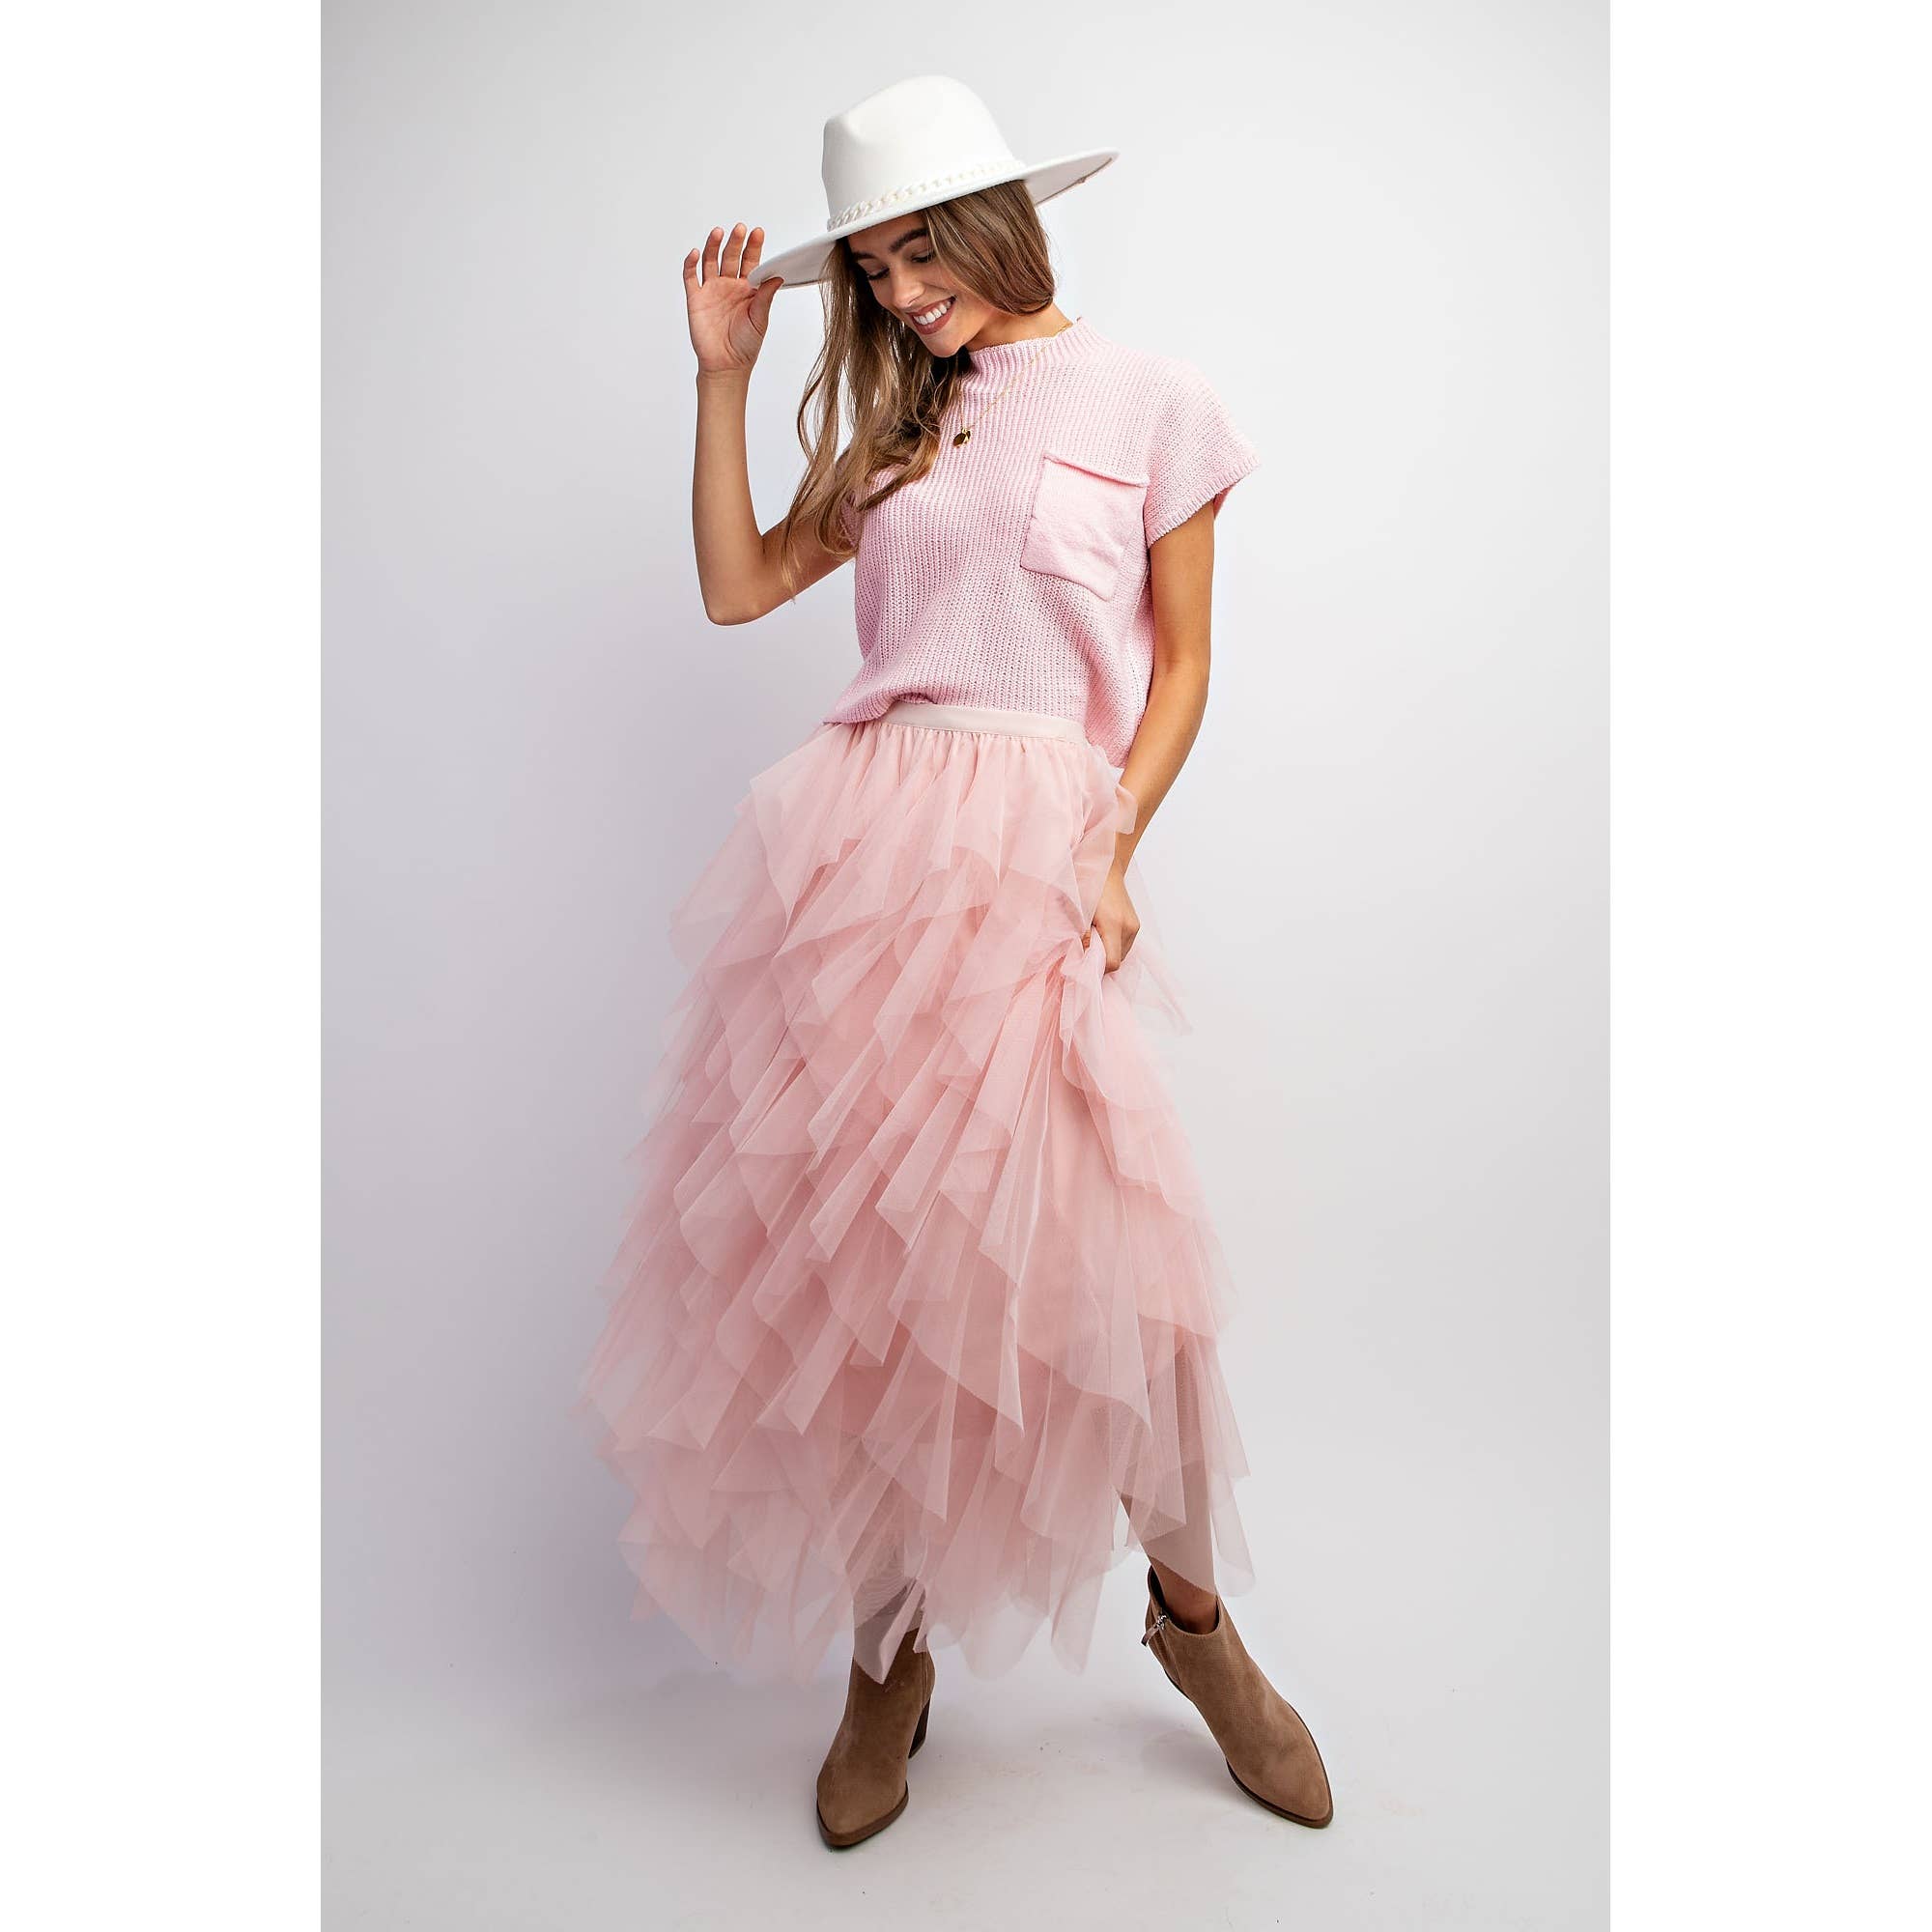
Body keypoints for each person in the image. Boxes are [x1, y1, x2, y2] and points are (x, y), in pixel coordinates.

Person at [577, 74, 1333, 1849]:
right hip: (861, 855)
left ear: (1002, 224)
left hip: (1037, 848)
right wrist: (722, 380)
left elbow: (1181, 669)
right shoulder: (904, 425)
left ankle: (1197, 1630)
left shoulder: (1154, 400)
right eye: (875, 268)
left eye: (924, 252)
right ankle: (887, 1656)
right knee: (875, 1267)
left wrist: (1110, 849)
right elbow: (739, 586)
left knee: (1114, 1267)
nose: (903, 293)